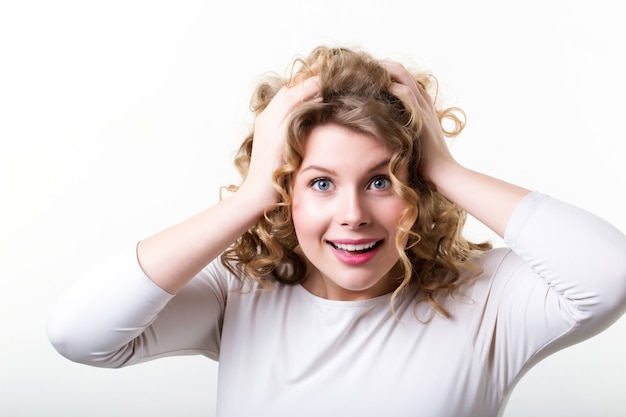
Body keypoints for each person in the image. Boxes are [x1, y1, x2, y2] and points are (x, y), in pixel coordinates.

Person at [47, 45, 626, 416]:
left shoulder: (485, 297)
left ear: (417, 190)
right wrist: (252, 192)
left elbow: (610, 274)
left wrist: (444, 167)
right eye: (321, 183)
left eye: (381, 181)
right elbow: (79, 334)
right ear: (285, 194)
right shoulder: (240, 293)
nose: (352, 213)